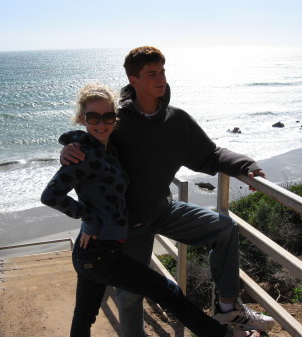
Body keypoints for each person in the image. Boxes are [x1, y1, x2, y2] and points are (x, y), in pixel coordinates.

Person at [59, 47, 276, 337]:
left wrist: (246, 165)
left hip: (163, 209)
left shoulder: (177, 120)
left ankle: (228, 308)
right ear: (133, 79)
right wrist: (68, 149)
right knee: (130, 296)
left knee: (224, 227)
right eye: (152, 74)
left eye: (162, 71)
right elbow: (90, 148)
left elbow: (209, 153)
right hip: (127, 225)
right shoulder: (117, 120)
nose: (160, 79)